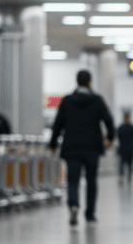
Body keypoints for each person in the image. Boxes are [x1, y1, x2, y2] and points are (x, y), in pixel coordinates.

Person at [49, 70, 115, 226]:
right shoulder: (97, 100)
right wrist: (110, 138)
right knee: (91, 181)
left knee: (73, 180)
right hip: (92, 148)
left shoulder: (67, 101)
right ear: (90, 82)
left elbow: (57, 124)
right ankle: (90, 214)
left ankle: (73, 205)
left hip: (72, 148)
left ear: (77, 82)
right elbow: (109, 121)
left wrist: (52, 144)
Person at [116, 113, 133, 184]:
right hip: (123, 149)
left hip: (129, 149)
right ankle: (121, 176)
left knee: (129, 164)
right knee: (122, 164)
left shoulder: (132, 128)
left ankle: (129, 177)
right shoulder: (121, 128)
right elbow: (118, 138)